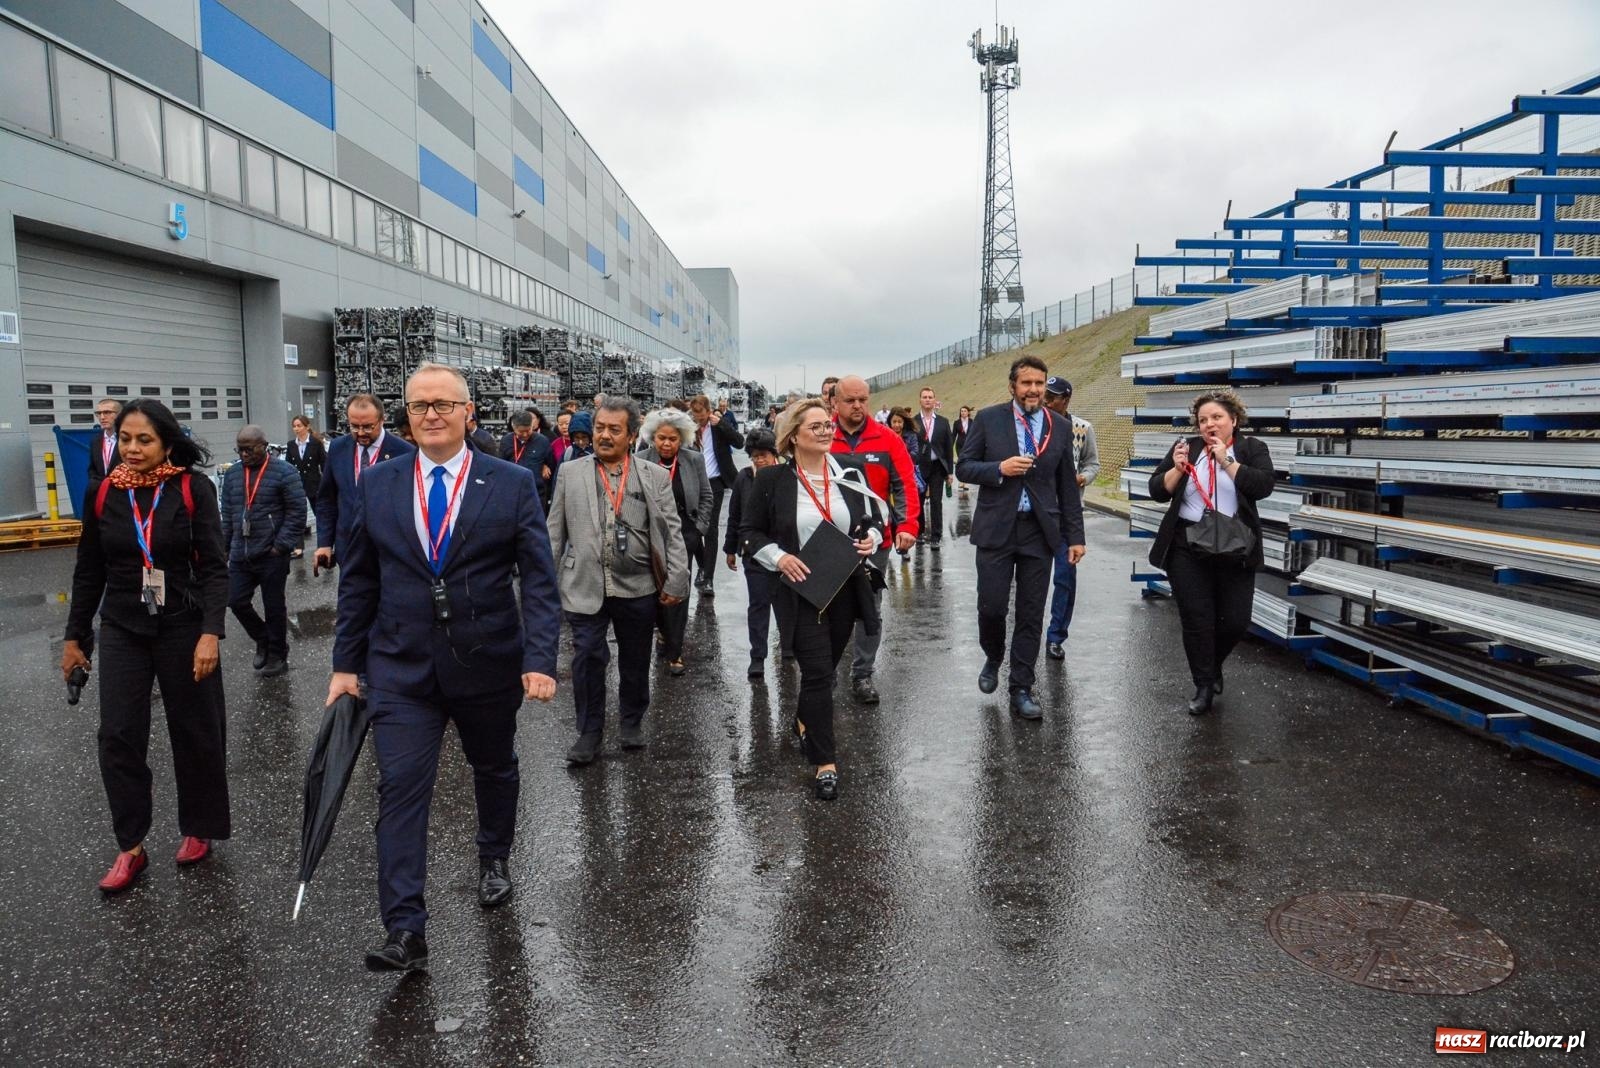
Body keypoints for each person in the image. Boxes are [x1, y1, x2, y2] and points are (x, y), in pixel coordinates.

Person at [327, 363, 560, 973]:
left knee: (493, 767)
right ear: (407, 415)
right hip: (401, 668)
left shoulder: (508, 484)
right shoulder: (377, 484)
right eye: (419, 405)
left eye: (442, 404)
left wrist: (539, 659)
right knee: (399, 788)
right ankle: (405, 927)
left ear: (466, 413)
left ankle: (493, 856)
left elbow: (537, 579)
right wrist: (344, 665)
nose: (430, 414)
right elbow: (358, 581)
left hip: (486, 662)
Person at [61, 399, 230, 893]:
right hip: (122, 627)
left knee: (196, 731)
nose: (132, 449)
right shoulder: (103, 493)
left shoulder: (192, 488)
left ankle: (199, 827)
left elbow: (216, 567)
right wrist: (76, 637)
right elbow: (88, 570)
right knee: (117, 734)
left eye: (144, 440)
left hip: (183, 623)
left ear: (167, 443)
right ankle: (130, 845)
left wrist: (210, 632)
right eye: (126, 439)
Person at [740, 399, 884, 800]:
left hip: (842, 585)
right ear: (793, 436)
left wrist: (870, 539)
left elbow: (869, 522)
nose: (825, 431)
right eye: (816, 426)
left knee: (827, 667)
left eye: (827, 425)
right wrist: (780, 557)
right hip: (799, 590)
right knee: (818, 672)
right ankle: (825, 762)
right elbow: (749, 532)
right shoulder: (772, 480)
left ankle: (804, 720)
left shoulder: (848, 476)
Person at [545, 395, 690, 765]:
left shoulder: (653, 476)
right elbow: (554, 531)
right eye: (599, 428)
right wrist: (544, 583)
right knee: (589, 657)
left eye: (614, 429)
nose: (604, 436)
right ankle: (589, 731)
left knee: (636, 657)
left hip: (637, 584)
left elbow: (672, 532)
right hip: (584, 584)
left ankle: (631, 720)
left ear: (632, 435)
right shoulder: (570, 473)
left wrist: (677, 579)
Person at [956, 355, 1087, 721]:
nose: (1033, 390)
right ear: (1013, 386)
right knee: (993, 606)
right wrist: (1000, 468)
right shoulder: (989, 419)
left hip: (1039, 531)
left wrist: (1074, 536)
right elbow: (963, 466)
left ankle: (1021, 687)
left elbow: (1065, 486)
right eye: (1026, 383)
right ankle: (993, 654)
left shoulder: (1058, 426)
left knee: (1031, 611)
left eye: (1039, 384)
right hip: (997, 528)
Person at [1146, 388, 1274, 715]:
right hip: (1187, 545)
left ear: (1234, 419)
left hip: (1234, 545)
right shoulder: (1187, 448)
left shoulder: (1252, 448)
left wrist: (1226, 461)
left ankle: (1212, 663)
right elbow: (1156, 490)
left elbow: (1262, 486)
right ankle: (1203, 685)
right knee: (1197, 618)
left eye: (1216, 417)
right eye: (1203, 420)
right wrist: (1177, 468)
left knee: (1235, 621)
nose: (1209, 425)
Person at [829, 375, 919, 705]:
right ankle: (824, 673)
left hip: (874, 541)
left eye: (863, 400)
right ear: (835, 403)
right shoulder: (823, 436)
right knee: (825, 607)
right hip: (829, 540)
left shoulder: (887, 439)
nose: (857, 406)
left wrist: (908, 526)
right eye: (850, 400)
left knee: (870, 607)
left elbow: (905, 484)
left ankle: (862, 674)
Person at [221, 425, 306, 677]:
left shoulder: (284, 472)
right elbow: (227, 514)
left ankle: (278, 653)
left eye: (249, 449)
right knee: (235, 601)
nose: (244, 454)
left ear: (264, 445)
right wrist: (224, 548)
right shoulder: (234, 474)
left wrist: (281, 545)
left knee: (274, 606)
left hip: (271, 553)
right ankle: (263, 638)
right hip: (240, 551)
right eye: (240, 450)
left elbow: (297, 511)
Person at [639, 407, 712, 676]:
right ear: (652, 438)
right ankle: (663, 632)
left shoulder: (694, 460)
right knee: (656, 591)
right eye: (661, 438)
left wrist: (699, 529)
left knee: (679, 590)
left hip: (685, 535)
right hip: (650, 537)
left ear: (681, 438)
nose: (667, 444)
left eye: (672, 439)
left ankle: (675, 652)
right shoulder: (641, 459)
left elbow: (706, 496)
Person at [314, 394, 414, 574]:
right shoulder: (337, 448)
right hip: (348, 549)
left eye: (368, 427)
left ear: (382, 420)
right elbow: (326, 499)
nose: (360, 433)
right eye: (354, 426)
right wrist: (325, 543)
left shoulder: (405, 452)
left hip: (389, 553)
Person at [725, 427, 793, 677]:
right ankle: (757, 656)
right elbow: (735, 515)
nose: (758, 459)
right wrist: (730, 548)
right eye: (754, 455)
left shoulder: (788, 475)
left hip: (786, 553)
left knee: (786, 603)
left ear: (774, 454)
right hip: (753, 553)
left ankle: (788, 647)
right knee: (758, 604)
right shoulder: (743, 478)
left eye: (763, 454)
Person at [1043, 378, 1100, 660]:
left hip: (1068, 513)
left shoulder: (1082, 428)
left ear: (1066, 399)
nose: (1046, 401)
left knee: (1065, 577)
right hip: (1039, 513)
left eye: (1052, 397)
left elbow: (1093, 463)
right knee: (1031, 576)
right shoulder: (1036, 425)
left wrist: (1083, 477)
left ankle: (1056, 636)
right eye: (1045, 396)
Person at [688, 394, 741, 597]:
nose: (698, 418)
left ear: (709, 411)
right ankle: (702, 566)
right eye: (695, 415)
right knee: (693, 529)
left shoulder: (718, 426)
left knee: (710, 529)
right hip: (693, 483)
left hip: (715, 482)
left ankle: (708, 578)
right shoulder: (689, 428)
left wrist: (722, 425)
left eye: (701, 414)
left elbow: (739, 442)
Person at [913, 387, 955, 549]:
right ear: (920, 400)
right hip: (920, 468)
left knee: (936, 502)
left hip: (938, 467)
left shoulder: (943, 422)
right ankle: (919, 532)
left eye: (930, 397)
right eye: (924, 397)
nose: (928, 400)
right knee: (919, 501)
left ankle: (936, 536)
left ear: (935, 400)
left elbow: (948, 448)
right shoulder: (914, 422)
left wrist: (950, 472)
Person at [285, 415, 326, 558]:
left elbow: (324, 465)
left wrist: (326, 485)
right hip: (298, 485)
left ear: (307, 426)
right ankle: (298, 548)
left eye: (299, 426)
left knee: (320, 515)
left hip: (314, 484)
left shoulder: (316, 443)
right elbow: (288, 467)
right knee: (297, 516)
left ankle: (324, 546)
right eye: (294, 426)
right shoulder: (291, 445)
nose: (296, 429)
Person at [500, 410, 553, 504]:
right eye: (521, 431)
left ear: (532, 426)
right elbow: (501, 465)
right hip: (512, 491)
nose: (525, 435)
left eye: (528, 430)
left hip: (536, 492)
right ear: (513, 427)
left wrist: (544, 465)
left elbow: (551, 463)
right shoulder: (506, 441)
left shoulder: (542, 441)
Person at [88, 398, 123, 484]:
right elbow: (92, 469)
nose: (102, 417)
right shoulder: (95, 441)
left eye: (107, 412)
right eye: (99, 413)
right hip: (102, 491)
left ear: (120, 415)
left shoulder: (128, 440)